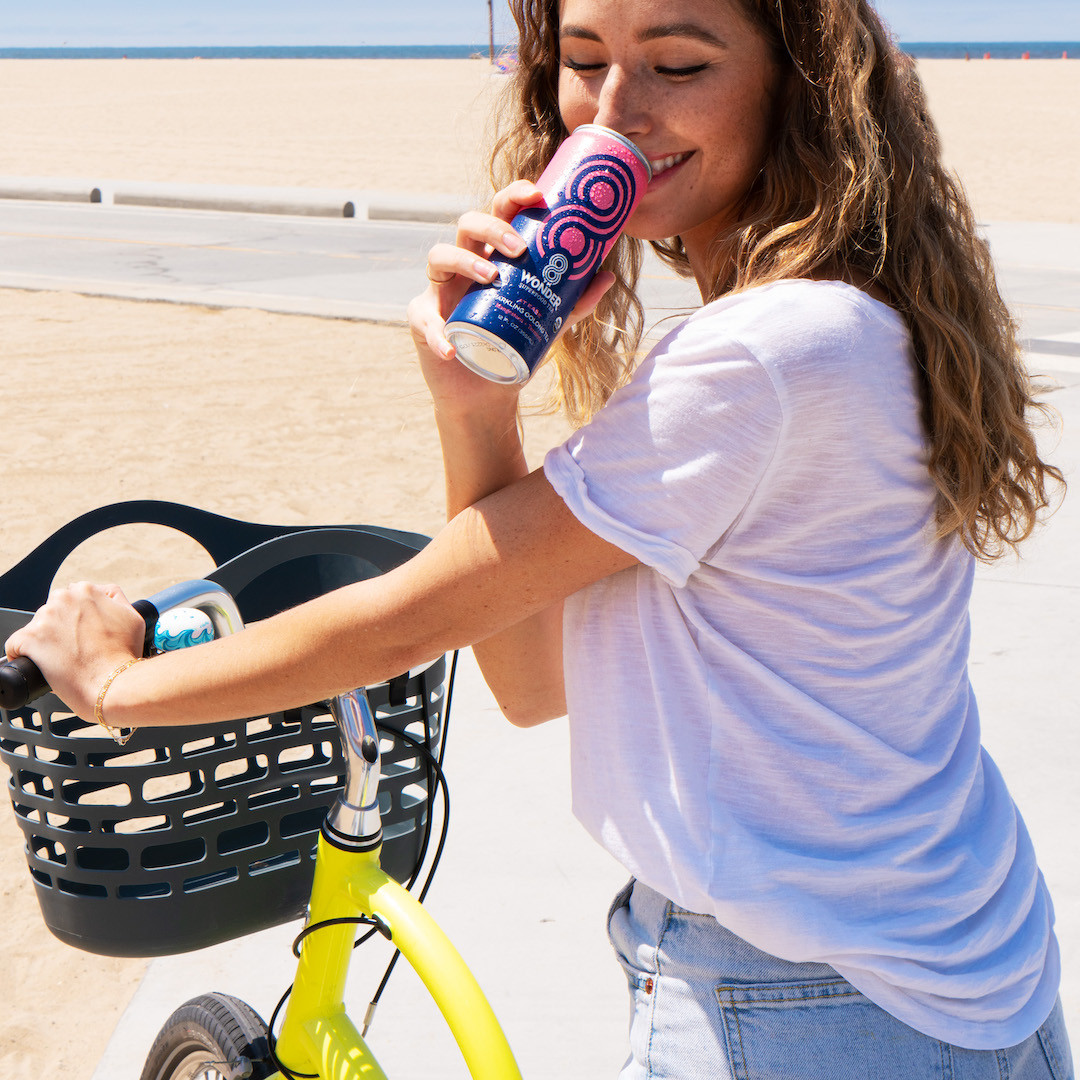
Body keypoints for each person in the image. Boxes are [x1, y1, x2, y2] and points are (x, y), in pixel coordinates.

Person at [6, 0, 1073, 1074]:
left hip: (806, 1000)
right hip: (944, 969)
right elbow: (530, 679)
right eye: (584, 59)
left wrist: (117, 689)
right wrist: (475, 408)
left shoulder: (762, 353)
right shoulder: (845, 314)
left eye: (679, 65)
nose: (615, 111)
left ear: (797, 85)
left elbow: (405, 625)